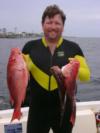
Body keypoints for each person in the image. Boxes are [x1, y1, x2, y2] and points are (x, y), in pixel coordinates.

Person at [22, 4, 90, 133]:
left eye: (57, 23)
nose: (53, 27)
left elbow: (86, 76)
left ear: (63, 27)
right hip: (37, 111)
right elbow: (18, 74)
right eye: (49, 22)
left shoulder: (73, 48)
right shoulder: (30, 47)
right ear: (43, 25)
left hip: (64, 111)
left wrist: (75, 69)